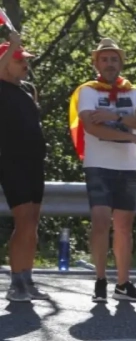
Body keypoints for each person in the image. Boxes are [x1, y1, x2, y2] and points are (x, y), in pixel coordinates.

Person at [69, 38, 136, 302]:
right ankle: (100, 280)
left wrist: (115, 117)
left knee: (125, 226)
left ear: (121, 62)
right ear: (96, 62)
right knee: (100, 221)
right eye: (104, 59)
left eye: (114, 59)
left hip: (127, 166)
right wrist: (133, 137)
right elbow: (92, 128)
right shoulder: (88, 91)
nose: (109, 64)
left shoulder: (133, 92)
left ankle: (123, 283)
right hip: (98, 164)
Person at [0, 33, 50, 302]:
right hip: (12, 161)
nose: (25, 65)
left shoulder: (26, 89)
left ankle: (27, 277)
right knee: (22, 222)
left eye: (25, 61)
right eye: (19, 61)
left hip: (33, 162)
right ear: (5, 64)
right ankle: (15, 282)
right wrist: (11, 47)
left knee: (32, 222)